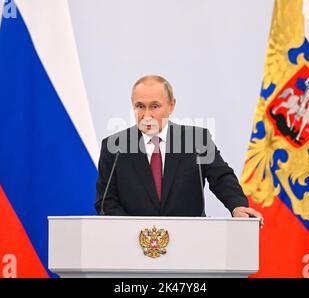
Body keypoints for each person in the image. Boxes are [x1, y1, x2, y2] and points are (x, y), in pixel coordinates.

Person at [95, 75, 263, 226]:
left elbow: (221, 178)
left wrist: (237, 206)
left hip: (189, 243)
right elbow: (106, 202)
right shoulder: (114, 147)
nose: (147, 115)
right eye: (140, 106)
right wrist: (136, 231)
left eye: (154, 106)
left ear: (171, 105)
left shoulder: (197, 140)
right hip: (134, 247)